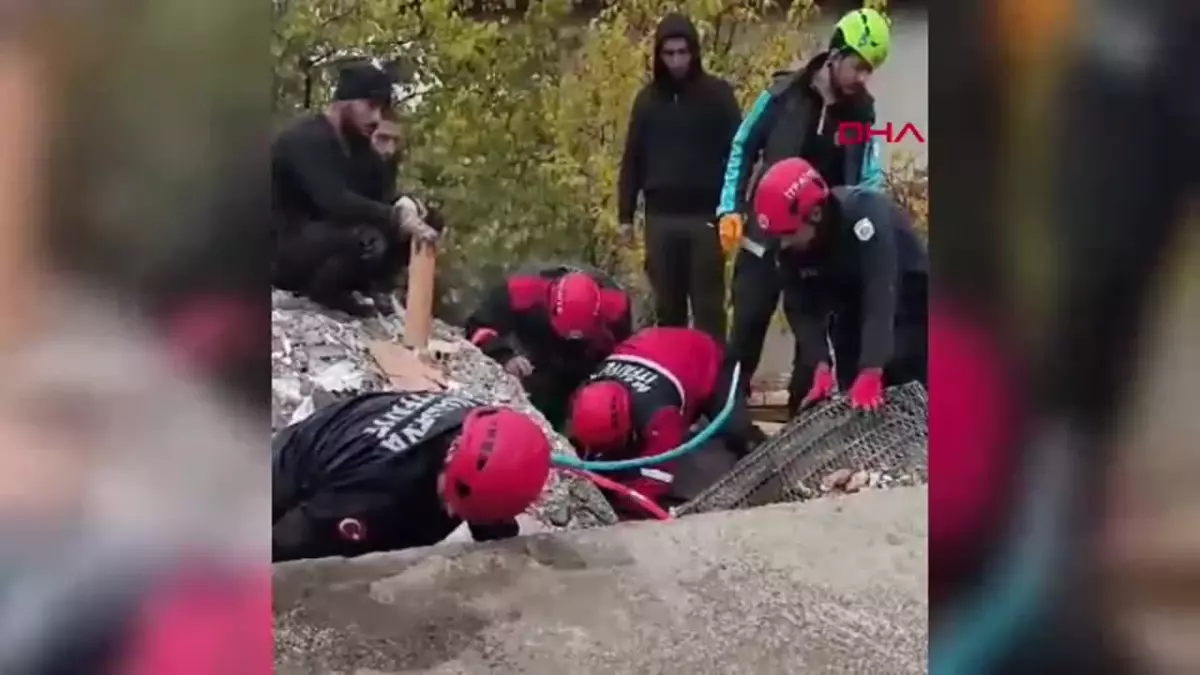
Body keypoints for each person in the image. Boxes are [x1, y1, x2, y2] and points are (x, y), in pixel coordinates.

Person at [714, 8, 892, 409]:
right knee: (744, 337)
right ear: (835, 54)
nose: (863, 78)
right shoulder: (782, 95)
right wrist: (729, 208)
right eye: (859, 66)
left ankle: (802, 428)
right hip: (764, 239)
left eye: (871, 70)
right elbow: (743, 146)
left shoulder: (862, 113)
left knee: (812, 354)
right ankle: (727, 425)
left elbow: (868, 176)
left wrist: (869, 228)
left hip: (818, 249)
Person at [272, 391, 552, 562]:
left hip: (343, 436)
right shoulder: (374, 496)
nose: (452, 510)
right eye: (451, 499)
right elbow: (291, 544)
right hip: (291, 469)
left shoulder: (478, 421)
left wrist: (500, 547)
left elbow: (493, 485)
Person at [751, 157, 927, 414]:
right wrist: (820, 364)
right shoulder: (791, 245)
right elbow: (800, 308)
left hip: (909, 299)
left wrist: (872, 369)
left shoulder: (865, 215)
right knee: (851, 394)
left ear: (815, 213)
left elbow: (880, 294)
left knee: (903, 381)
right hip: (850, 305)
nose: (784, 245)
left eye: (788, 234)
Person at [270, 60, 440, 317]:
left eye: (381, 109)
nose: (376, 118)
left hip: (333, 241)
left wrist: (408, 204)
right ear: (343, 103)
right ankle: (322, 294)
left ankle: (372, 288)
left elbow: (379, 198)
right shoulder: (305, 138)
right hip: (289, 246)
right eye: (370, 106)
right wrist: (395, 216)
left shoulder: (359, 146)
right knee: (366, 238)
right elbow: (334, 201)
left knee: (428, 219)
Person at [617, 12, 742, 340]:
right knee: (668, 308)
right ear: (659, 56)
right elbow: (632, 158)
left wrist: (737, 206)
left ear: (694, 52)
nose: (676, 61)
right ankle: (673, 380)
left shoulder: (718, 96)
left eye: (682, 52)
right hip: (661, 218)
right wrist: (625, 215)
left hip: (706, 216)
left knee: (709, 308)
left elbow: (740, 153)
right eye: (668, 53)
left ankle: (714, 380)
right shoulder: (647, 101)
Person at [567, 326, 767, 518]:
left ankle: (766, 466)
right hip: (656, 349)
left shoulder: (659, 415)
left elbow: (653, 484)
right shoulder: (584, 393)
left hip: (705, 355)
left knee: (735, 432)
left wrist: (611, 502)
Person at [464, 264, 633, 430]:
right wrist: (504, 356)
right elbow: (479, 325)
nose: (569, 338)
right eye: (567, 332)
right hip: (538, 352)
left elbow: (622, 358)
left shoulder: (616, 308)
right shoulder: (523, 291)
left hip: (586, 361)